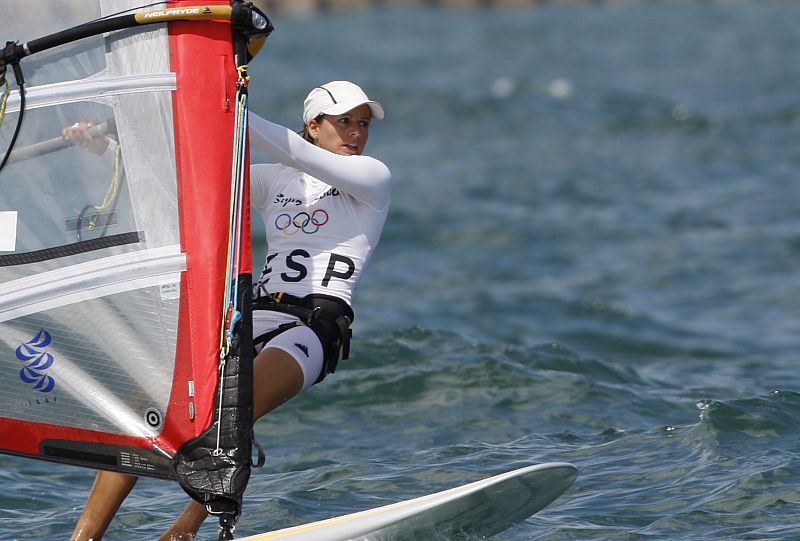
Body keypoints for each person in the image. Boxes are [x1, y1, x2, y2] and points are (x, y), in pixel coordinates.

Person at [67, 80, 391, 540]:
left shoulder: (373, 178)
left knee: (236, 410)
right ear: (313, 125)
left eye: (362, 124)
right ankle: (84, 536)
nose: (356, 132)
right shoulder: (276, 179)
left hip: (315, 329)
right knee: (149, 405)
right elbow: (184, 176)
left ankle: (183, 532)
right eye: (343, 122)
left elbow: (295, 152)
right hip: (258, 313)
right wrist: (104, 146)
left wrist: (227, 103)